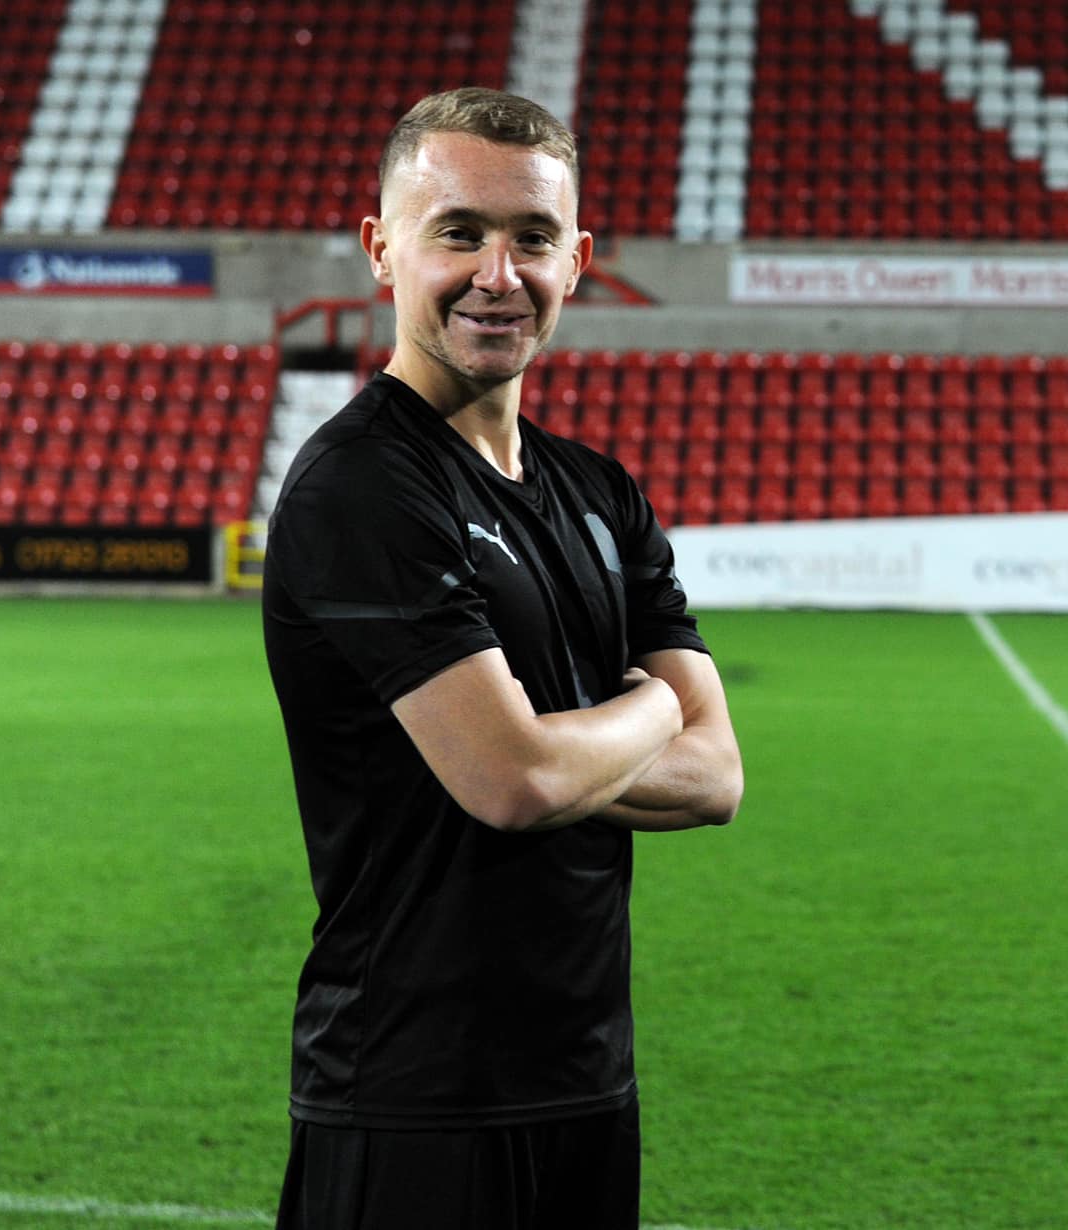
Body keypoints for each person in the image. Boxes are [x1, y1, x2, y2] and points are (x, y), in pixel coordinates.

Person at [261, 87, 743, 1230]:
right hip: (410, 1092)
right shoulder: (359, 487)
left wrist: (555, 748)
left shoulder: (600, 493)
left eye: (531, 238)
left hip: (585, 1080)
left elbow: (719, 778)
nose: (497, 274)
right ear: (383, 250)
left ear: (576, 260)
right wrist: (648, 712)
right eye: (458, 232)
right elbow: (512, 781)